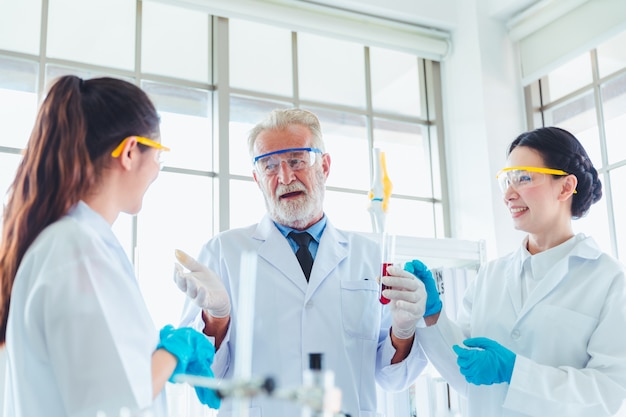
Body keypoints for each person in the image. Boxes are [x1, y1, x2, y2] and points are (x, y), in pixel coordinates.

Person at [175, 107, 428, 417]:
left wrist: (403, 331)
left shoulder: (370, 256)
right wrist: (217, 319)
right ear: (257, 178)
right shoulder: (222, 252)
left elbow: (393, 378)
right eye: (269, 165)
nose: (285, 177)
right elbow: (203, 378)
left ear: (324, 165)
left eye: (296, 160)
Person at [0, 75, 219, 417]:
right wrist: (176, 349)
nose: (157, 171)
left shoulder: (72, 241)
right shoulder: (77, 249)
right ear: (131, 151)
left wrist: (158, 350)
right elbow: (115, 400)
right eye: (157, 154)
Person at [409, 126, 626, 417]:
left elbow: (606, 393)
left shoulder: (607, 280)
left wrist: (516, 372)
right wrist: (432, 315)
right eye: (506, 181)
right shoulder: (490, 276)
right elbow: (466, 378)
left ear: (564, 187)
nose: (508, 194)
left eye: (523, 178)